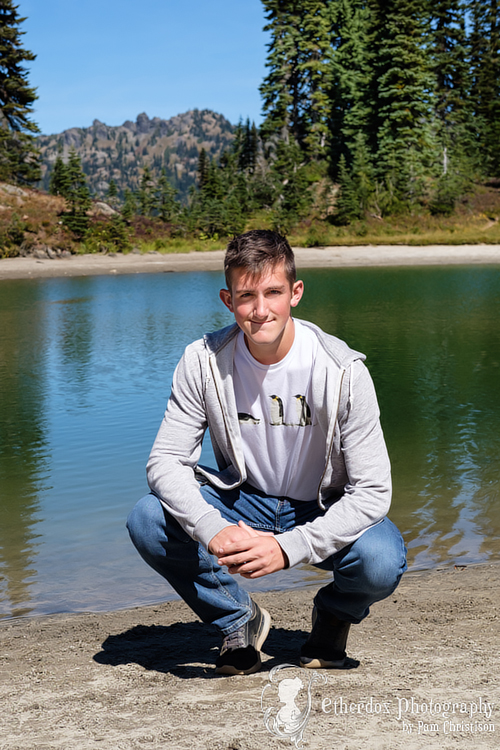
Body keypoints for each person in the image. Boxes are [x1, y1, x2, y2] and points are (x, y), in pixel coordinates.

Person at [127, 229, 407, 676]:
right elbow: (165, 461)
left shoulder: (342, 370)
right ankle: (238, 619)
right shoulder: (202, 361)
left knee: (380, 559)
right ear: (227, 299)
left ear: (295, 292)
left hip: (317, 508)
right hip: (242, 500)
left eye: (273, 292)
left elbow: (372, 490)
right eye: (246, 296)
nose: (260, 310)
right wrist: (211, 527)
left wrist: (288, 547)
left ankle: (333, 618)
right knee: (148, 519)